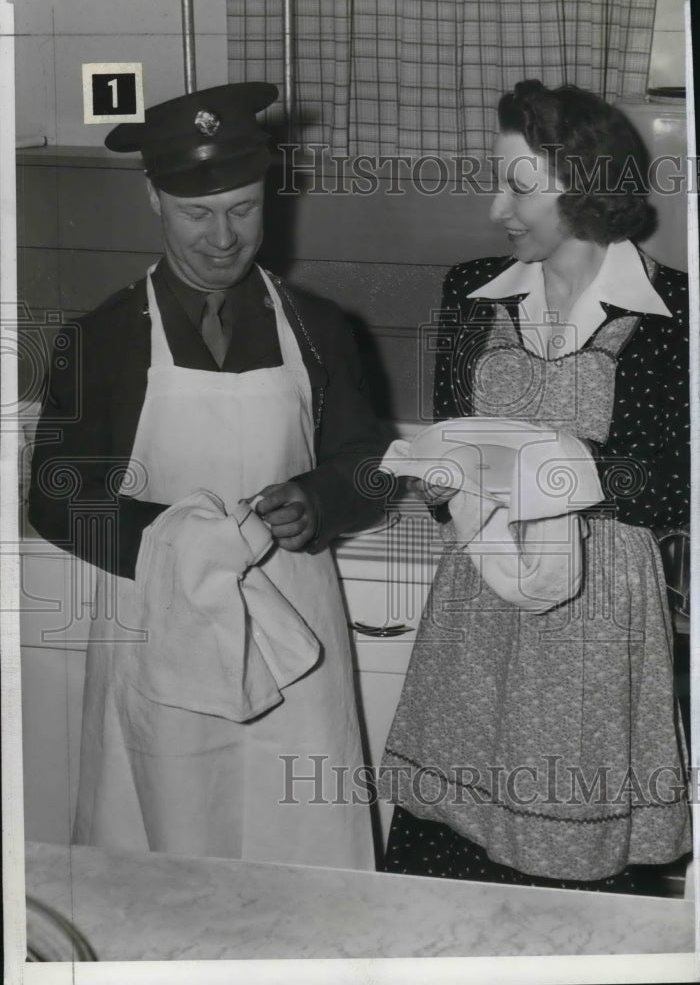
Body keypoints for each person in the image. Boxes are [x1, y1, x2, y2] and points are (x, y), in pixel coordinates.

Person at [28, 82, 386, 870]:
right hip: (159, 626)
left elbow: (368, 466)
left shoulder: (320, 331)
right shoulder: (103, 338)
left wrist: (318, 500)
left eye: (245, 209)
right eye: (198, 214)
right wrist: (176, 542)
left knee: (305, 850)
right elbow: (53, 500)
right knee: (163, 850)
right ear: (155, 199)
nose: (224, 238)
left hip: (296, 630)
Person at [378, 80, 691, 893]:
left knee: (571, 862)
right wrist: (449, 479)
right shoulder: (471, 291)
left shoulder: (675, 313)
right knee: (453, 860)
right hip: (478, 594)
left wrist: (555, 469)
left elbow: (675, 486)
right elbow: (449, 449)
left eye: (518, 185)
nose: (496, 208)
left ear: (585, 185)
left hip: (599, 612)